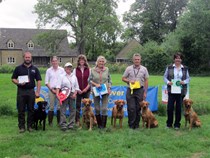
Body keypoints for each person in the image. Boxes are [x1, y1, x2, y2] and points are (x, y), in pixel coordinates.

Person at [11, 52, 42, 133]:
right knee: (21, 110)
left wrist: (38, 92)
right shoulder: (18, 68)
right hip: (21, 91)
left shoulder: (35, 69)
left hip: (31, 91)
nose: (27, 59)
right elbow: (13, 78)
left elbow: (39, 80)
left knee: (31, 109)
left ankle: (30, 126)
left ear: (31, 58)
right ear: (23, 58)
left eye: (29, 57)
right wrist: (18, 82)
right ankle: (21, 127)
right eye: (26, 57)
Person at [122, 53, 149, 129]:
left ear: (140, 60)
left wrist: (145, 92)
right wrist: (129, 81)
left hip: (140, 90)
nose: (137, 61)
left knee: (138, 108)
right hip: (130, 90)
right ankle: (131, 125)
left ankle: (136, 125)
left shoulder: (144, 69)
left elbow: (146, 80)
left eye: (138, 59)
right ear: (133, 60)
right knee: (131, 108)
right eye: (135, 59)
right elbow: (123, 78)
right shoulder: (128, 68)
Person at [164, 52, 190, 129]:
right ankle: (169, 124)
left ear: (181, 59)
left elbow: (188, 78)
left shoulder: (185, 68)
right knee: (170, 108)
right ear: (174, 59)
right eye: (176, 58)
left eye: (179, 58)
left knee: (179, 108)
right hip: (171, 91)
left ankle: (177, 124)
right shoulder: (169, 67)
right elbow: (165, 77)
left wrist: (184, 82)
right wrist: (168, 82)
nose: (178, 59)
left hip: (181, 91)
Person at [89, 55, 112, 129]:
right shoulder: (92, 70)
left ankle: (103, 126)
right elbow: (89, 80)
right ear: (97, 62)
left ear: (104, 62)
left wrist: (109, 88)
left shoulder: (107, 69)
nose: (101, 63)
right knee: (97, 108)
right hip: (96, 90)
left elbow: (109, 80)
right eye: (100, 61)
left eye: (102, 61)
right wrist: (96, 84)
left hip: (105, 90)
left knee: (104, 108)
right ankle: (99, 125)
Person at [56, 62, 80, 131]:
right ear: (65, 68)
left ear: (71, 68)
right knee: (63, 109)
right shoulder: (61, 76)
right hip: (64, 94)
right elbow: (58, 86)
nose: (69, 68)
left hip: (72, 94)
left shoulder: (74, 76)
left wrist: (75, 94)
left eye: (70, 67)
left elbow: (76, 87)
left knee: (72, 110)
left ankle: (71, 124)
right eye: (67, 67)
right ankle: (63, 124)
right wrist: (58, 94)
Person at [45, 56, 65, 126]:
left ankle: (59, 122)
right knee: (51, 106)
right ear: (51, 62)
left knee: (60, 106)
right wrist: (52, 89)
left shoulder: (62, 70)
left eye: (55, 61)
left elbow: (64, 80)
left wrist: (60, 89)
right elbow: (46, 82)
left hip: (60, 90)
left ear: (58, 61)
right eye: (53, 61)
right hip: (52, 89)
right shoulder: (48, 70)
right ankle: (50, 122)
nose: (54, 62)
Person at [72, 54, 91, 126]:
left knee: (87, 106)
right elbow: (74, 81)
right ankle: (77, 121)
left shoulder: (89, 70)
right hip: (78, 91)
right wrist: (77, 89)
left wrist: (86, 89)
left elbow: (90, 80)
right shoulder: (75, 70)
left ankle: (87, 120)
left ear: (85, 61)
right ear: (78, 61)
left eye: (83, 60)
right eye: (80, 60)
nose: (82, 61)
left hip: (87, 90)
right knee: (78, 106)